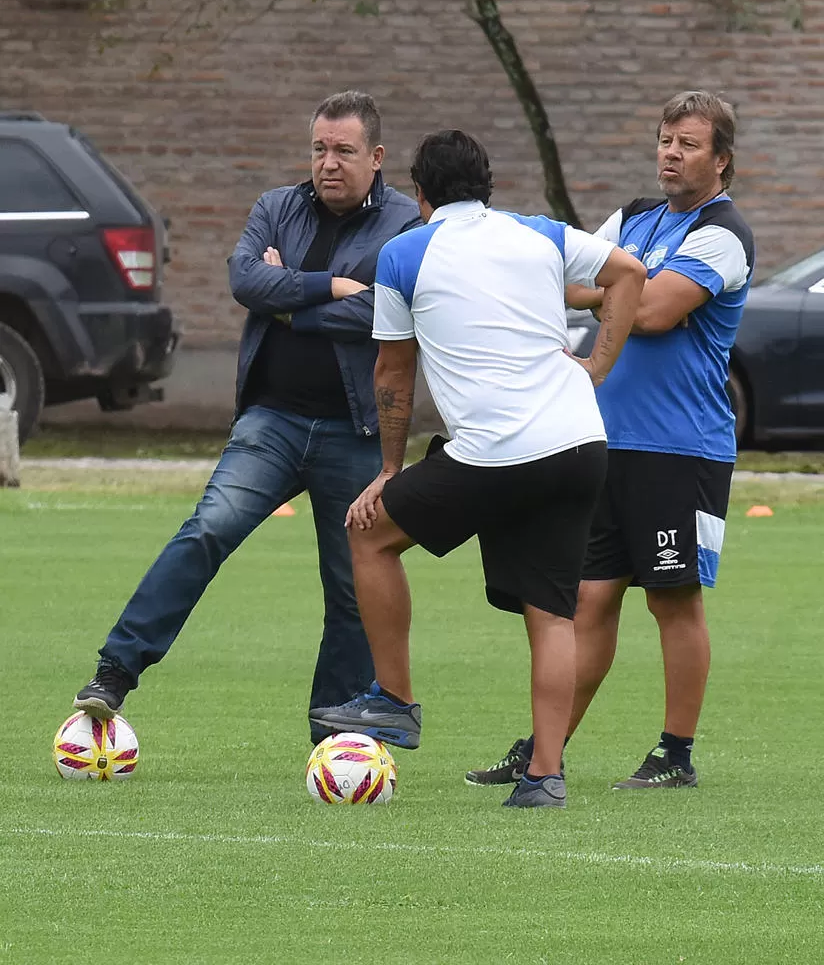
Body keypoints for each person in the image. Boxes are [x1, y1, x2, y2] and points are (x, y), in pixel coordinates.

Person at [308, 129, 646, 808]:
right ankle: (544, 777)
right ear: (487, 185)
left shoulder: (405, 252)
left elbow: (393, 370)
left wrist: (388, 471)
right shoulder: (541, 234)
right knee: (551, 613)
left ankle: (396, 699)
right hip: (580, 443)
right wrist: (598, 367)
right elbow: (629, 273)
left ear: (421, 193)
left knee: (370, 534)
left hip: (496, 451)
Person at [72, 91, 420, 742]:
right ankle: (114, 673)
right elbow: (244, 282)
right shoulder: (277, 207)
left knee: (351, 588)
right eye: (319, 148)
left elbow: (387, 314)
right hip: (273, 422)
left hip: (357, 431)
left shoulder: (405, 226)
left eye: (344, 151)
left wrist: (289, 300)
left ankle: (336, 738)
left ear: (376, 156)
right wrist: (333, 287)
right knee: (207, 531)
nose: (328, 163)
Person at [466, 90, 755, 790]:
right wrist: (620, 283)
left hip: (680, 450)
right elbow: (567, 282)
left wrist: (619, 283)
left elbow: (651, 311)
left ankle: (674, 754)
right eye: (664, 139)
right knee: (588, 602)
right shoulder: (633, 217)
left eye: (688, 144)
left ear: (720, 160)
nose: (670, 153)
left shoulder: (723, 233)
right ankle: (545, 748)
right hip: (606, 441)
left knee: (672, 599)